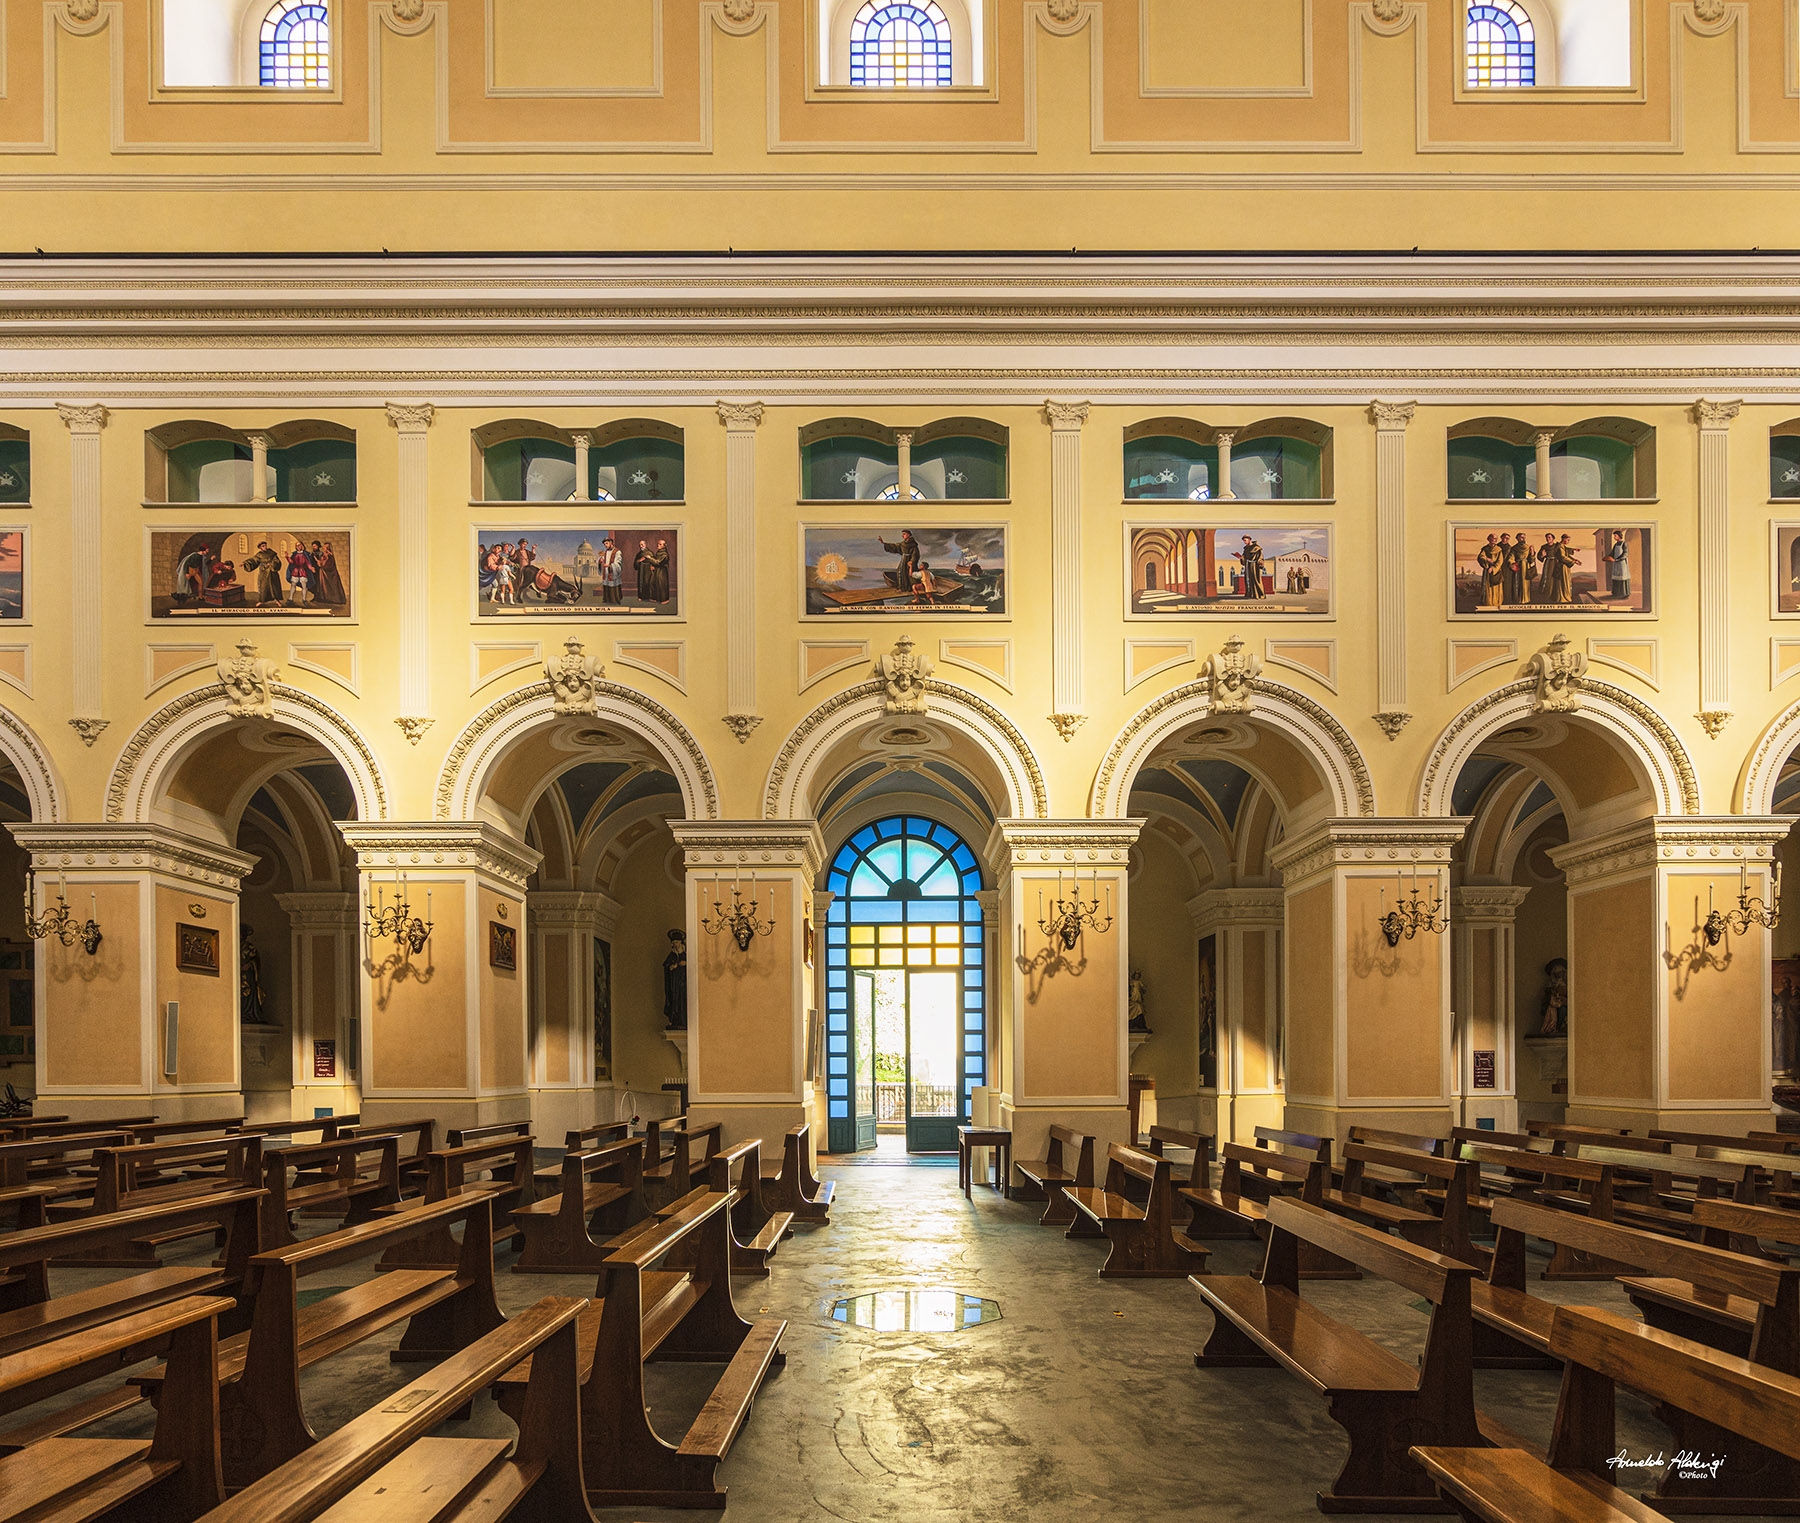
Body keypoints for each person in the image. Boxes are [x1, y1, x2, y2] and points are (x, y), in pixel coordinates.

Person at [240, 925, 267, 1025]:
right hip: (237, 976)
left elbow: (255, 960)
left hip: (248, 975)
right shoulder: (233, 946)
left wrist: (250, 965)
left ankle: (249, 1013)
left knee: (249, 994)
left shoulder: (250, 947)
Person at [662, 929, 688, 1030]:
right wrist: (671, 967)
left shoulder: (686, 954)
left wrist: (685, 964)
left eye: (676, 942)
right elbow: (666, 965)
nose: (675, 945)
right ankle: (675, 1020)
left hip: (684, 984)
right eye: (673, 943)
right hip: (674, 984)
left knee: (683, 1001)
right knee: (674, 1001)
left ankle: (684, 1020)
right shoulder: (672, 955)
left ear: (680, 942)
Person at [312, 539, 347, 606]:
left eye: (325, 547)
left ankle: (333, 599)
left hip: (329, 573)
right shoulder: (325, 554)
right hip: (323, 572)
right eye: (324, 547)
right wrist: (319, 562)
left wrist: (320, 564)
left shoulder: (329, 555)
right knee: (324, 585)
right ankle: (325, 598)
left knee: (330, 585)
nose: (324, 548)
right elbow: (323, 562)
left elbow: (329, 564)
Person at [248, 541, 283, 607]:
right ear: (260, 548)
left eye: (265, 545)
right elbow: (253, 561)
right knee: (263, 587)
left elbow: (277, 561)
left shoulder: (271, 552)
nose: (265, 547)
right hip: (263, 573)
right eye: (263, 546)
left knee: (274, 587)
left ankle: (277, 600)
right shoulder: (259, 555)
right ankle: (261, 601)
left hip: (272, 572)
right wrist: (245, 563)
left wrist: (271, 564)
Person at [1477, 532, 1504, 607]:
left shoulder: (1499, 549)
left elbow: (1500, 561)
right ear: (1489, 539)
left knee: (1496, 588)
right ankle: (1488, 603)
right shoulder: (1485, 549)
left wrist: (1493, 568)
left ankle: (1496, 603)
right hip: (1487, 571)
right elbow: (1480, 557)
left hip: (1496, 572)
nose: (1495, 540)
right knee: (1488, 588)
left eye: (1496, 538)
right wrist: (1487, 559)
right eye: (1493, 538)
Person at [285, 540, 315, 606]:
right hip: (296, 571)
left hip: (302, 571)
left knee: (304, 586)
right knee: (293, 585)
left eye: (299, 545)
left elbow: (308, 563)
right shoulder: (294, 554)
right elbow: (292, 562)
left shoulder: (305, 554)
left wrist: (311, 568)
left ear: (302, 546)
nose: (298, 546)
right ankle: (290, 599)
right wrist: (287, 557)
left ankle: (304, 599)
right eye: (297, 545)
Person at [1503, 531, 1530, 604]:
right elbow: (1511, 557)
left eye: (1524, 537)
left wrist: (1533, 554)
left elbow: (1531, 559)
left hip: (1525, 567)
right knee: (1517, 582)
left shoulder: (1528, 547)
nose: (1523, 539)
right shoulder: (1514, 548)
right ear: (1517, 539)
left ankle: (1526, 599)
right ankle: (1517, 599)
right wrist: (1511, 563)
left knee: (1525, 583)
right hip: (1517, 566)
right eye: (1521, 537)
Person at [1606, 528, 1631, 599]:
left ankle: (1624, 594)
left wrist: (1617, 559)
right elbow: (1612, 553)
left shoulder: (1624, 544)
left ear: (1619, 536)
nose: (1614, 537)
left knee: (1622, 577)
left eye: (1615, 536)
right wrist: (1608, 557)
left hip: (1622, 564)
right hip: (1616, 564)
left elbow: (1625, 554)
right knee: (1616, 577)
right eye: (1614, 536)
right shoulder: (1615, 544)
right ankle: (1616, 593)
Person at [599, 537, 623, 605]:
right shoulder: (606, 552)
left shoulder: (617, 552)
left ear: (611, 542)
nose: (605, 545)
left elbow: (618, 562)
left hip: (613, 572)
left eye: (606, 543)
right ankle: (607, 599)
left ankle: (615, 600)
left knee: (614, 585)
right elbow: (604, 558)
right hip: (606, 572)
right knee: (606, 584)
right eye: (604, 544)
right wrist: (601, 560)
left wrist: (610, 566)